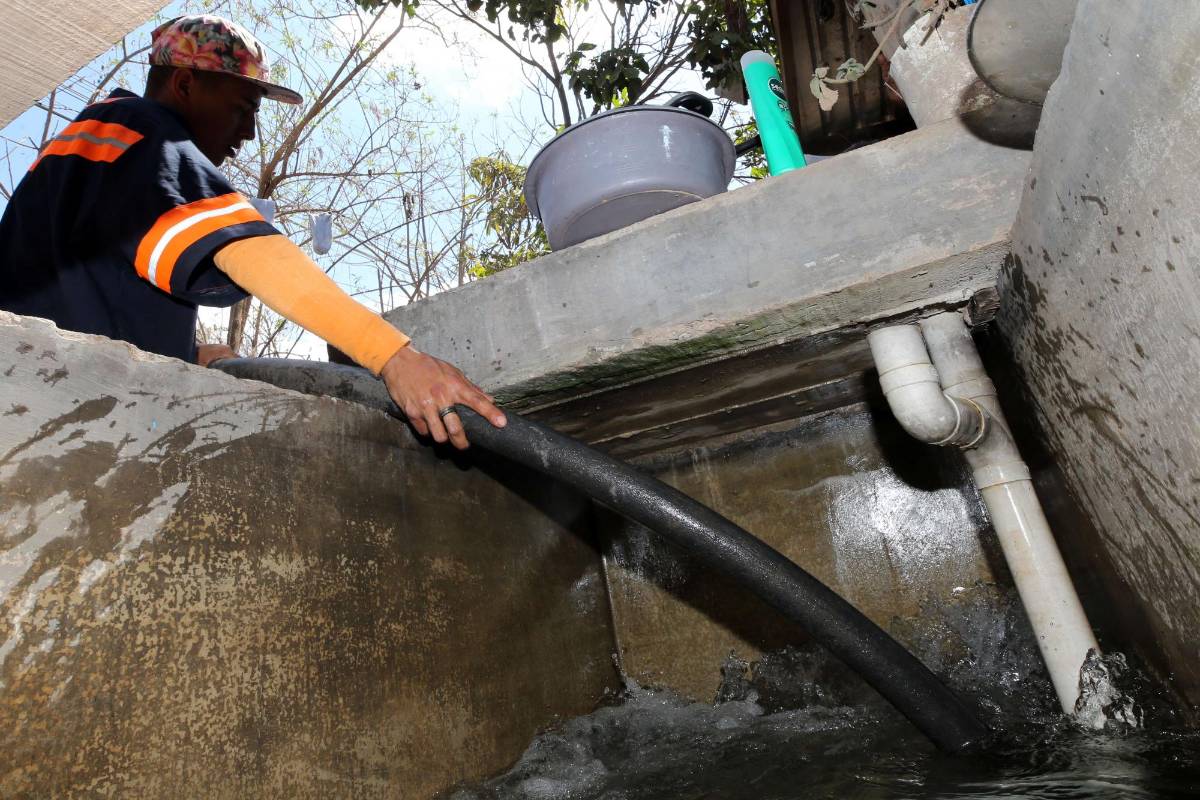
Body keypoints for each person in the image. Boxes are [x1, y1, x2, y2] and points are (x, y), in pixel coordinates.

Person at [0, 14, 504, 449]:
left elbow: (78, 296)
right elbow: (248, 250)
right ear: (185, 84)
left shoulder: (84, 148)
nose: (249, 133)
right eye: (243, 109)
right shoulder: (143, 131)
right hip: (70, 421)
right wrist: (395, 357)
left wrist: (187, 353)